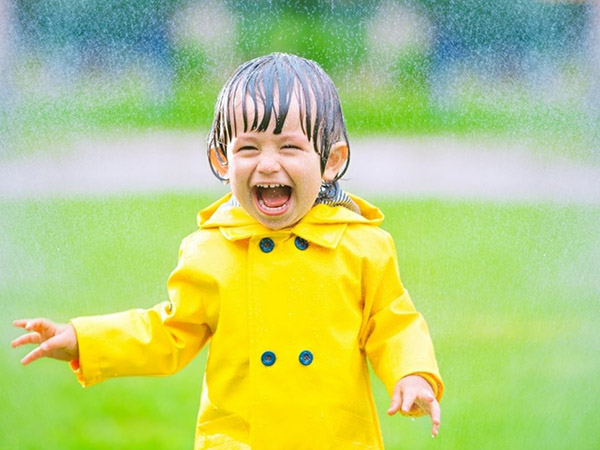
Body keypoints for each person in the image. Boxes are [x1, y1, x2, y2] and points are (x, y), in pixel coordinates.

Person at [12, 53, 443, 449]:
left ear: (331, 161)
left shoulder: (363, 247)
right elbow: (168, 332)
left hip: (334, 438)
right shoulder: (210, 251)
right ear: (223, 161)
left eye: (289, 147)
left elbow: (393, 324)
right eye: (248, 148)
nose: (268, 164)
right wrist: (85, 340)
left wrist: (413, 374)